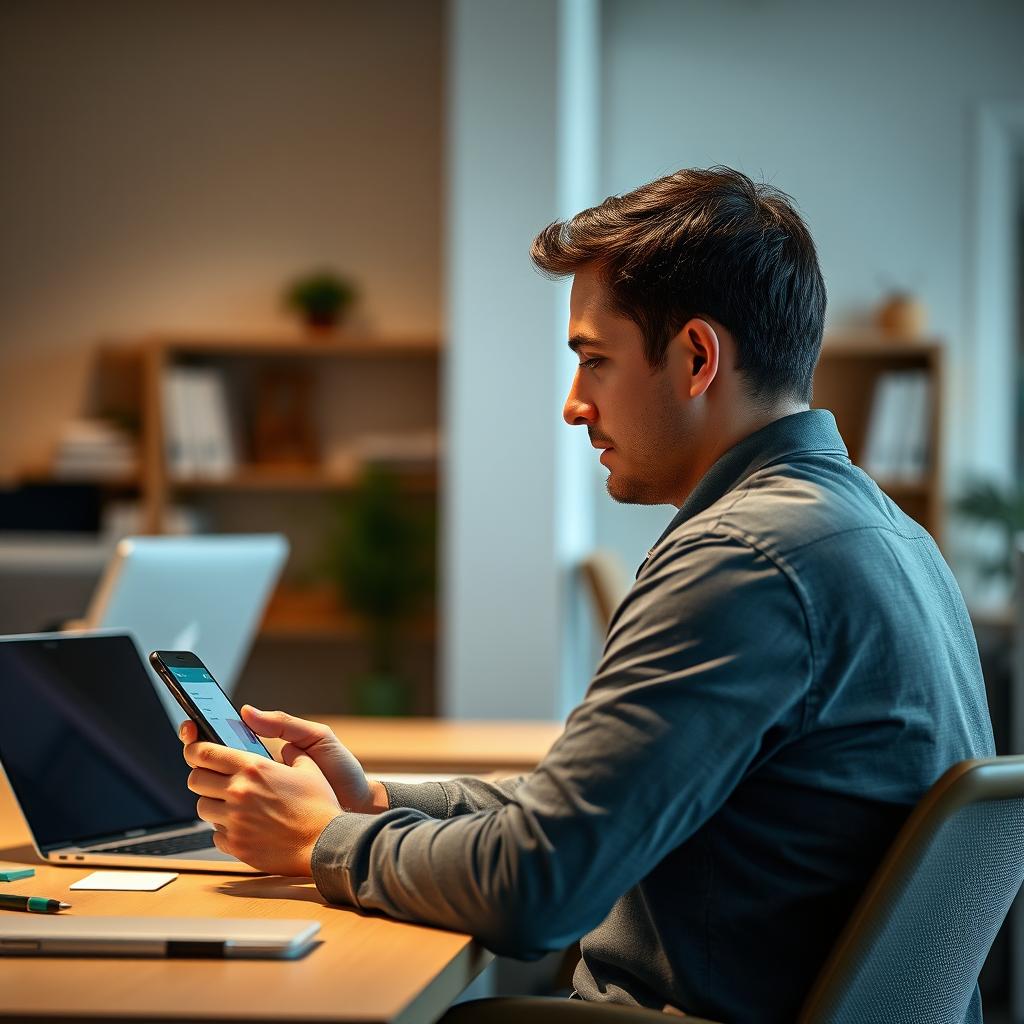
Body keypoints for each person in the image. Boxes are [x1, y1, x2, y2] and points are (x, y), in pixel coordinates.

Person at [179, 167, 994, 1023]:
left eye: (594, 361)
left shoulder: (742, 559)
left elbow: (538, 891)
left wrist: (320, 841)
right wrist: (374, 800)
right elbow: (579, 807)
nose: (574, 406)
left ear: (697, 359)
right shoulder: (890, 537)